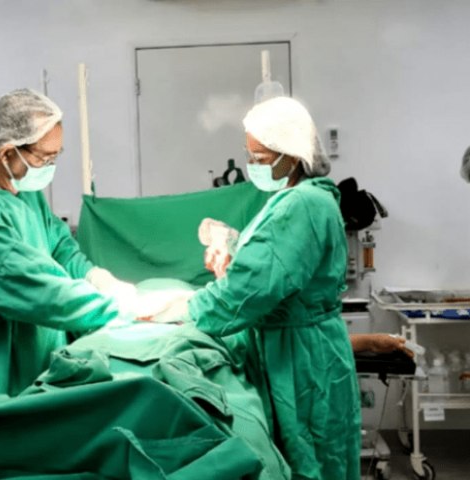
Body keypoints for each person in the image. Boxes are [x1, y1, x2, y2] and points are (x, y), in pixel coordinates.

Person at [150, 97, 361, 479]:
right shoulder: (301, 197)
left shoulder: (303, 204)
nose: (252, 165)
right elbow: (276, 260)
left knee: (308, 458)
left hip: (300, 360)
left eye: (260, 158)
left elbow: (250, 289)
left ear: (292, 155)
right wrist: (232, 246)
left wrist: (183, 309)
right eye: (249, 155)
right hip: (301, 348)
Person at [0, 88, 133, 397]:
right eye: (44, 158)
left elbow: (59, 246)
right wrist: (122, 307)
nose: (49, 166)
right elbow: (34, 288)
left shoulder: (23, 189)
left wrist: (94, 276)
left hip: (32, 350)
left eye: (55, 157)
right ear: (7, 153)